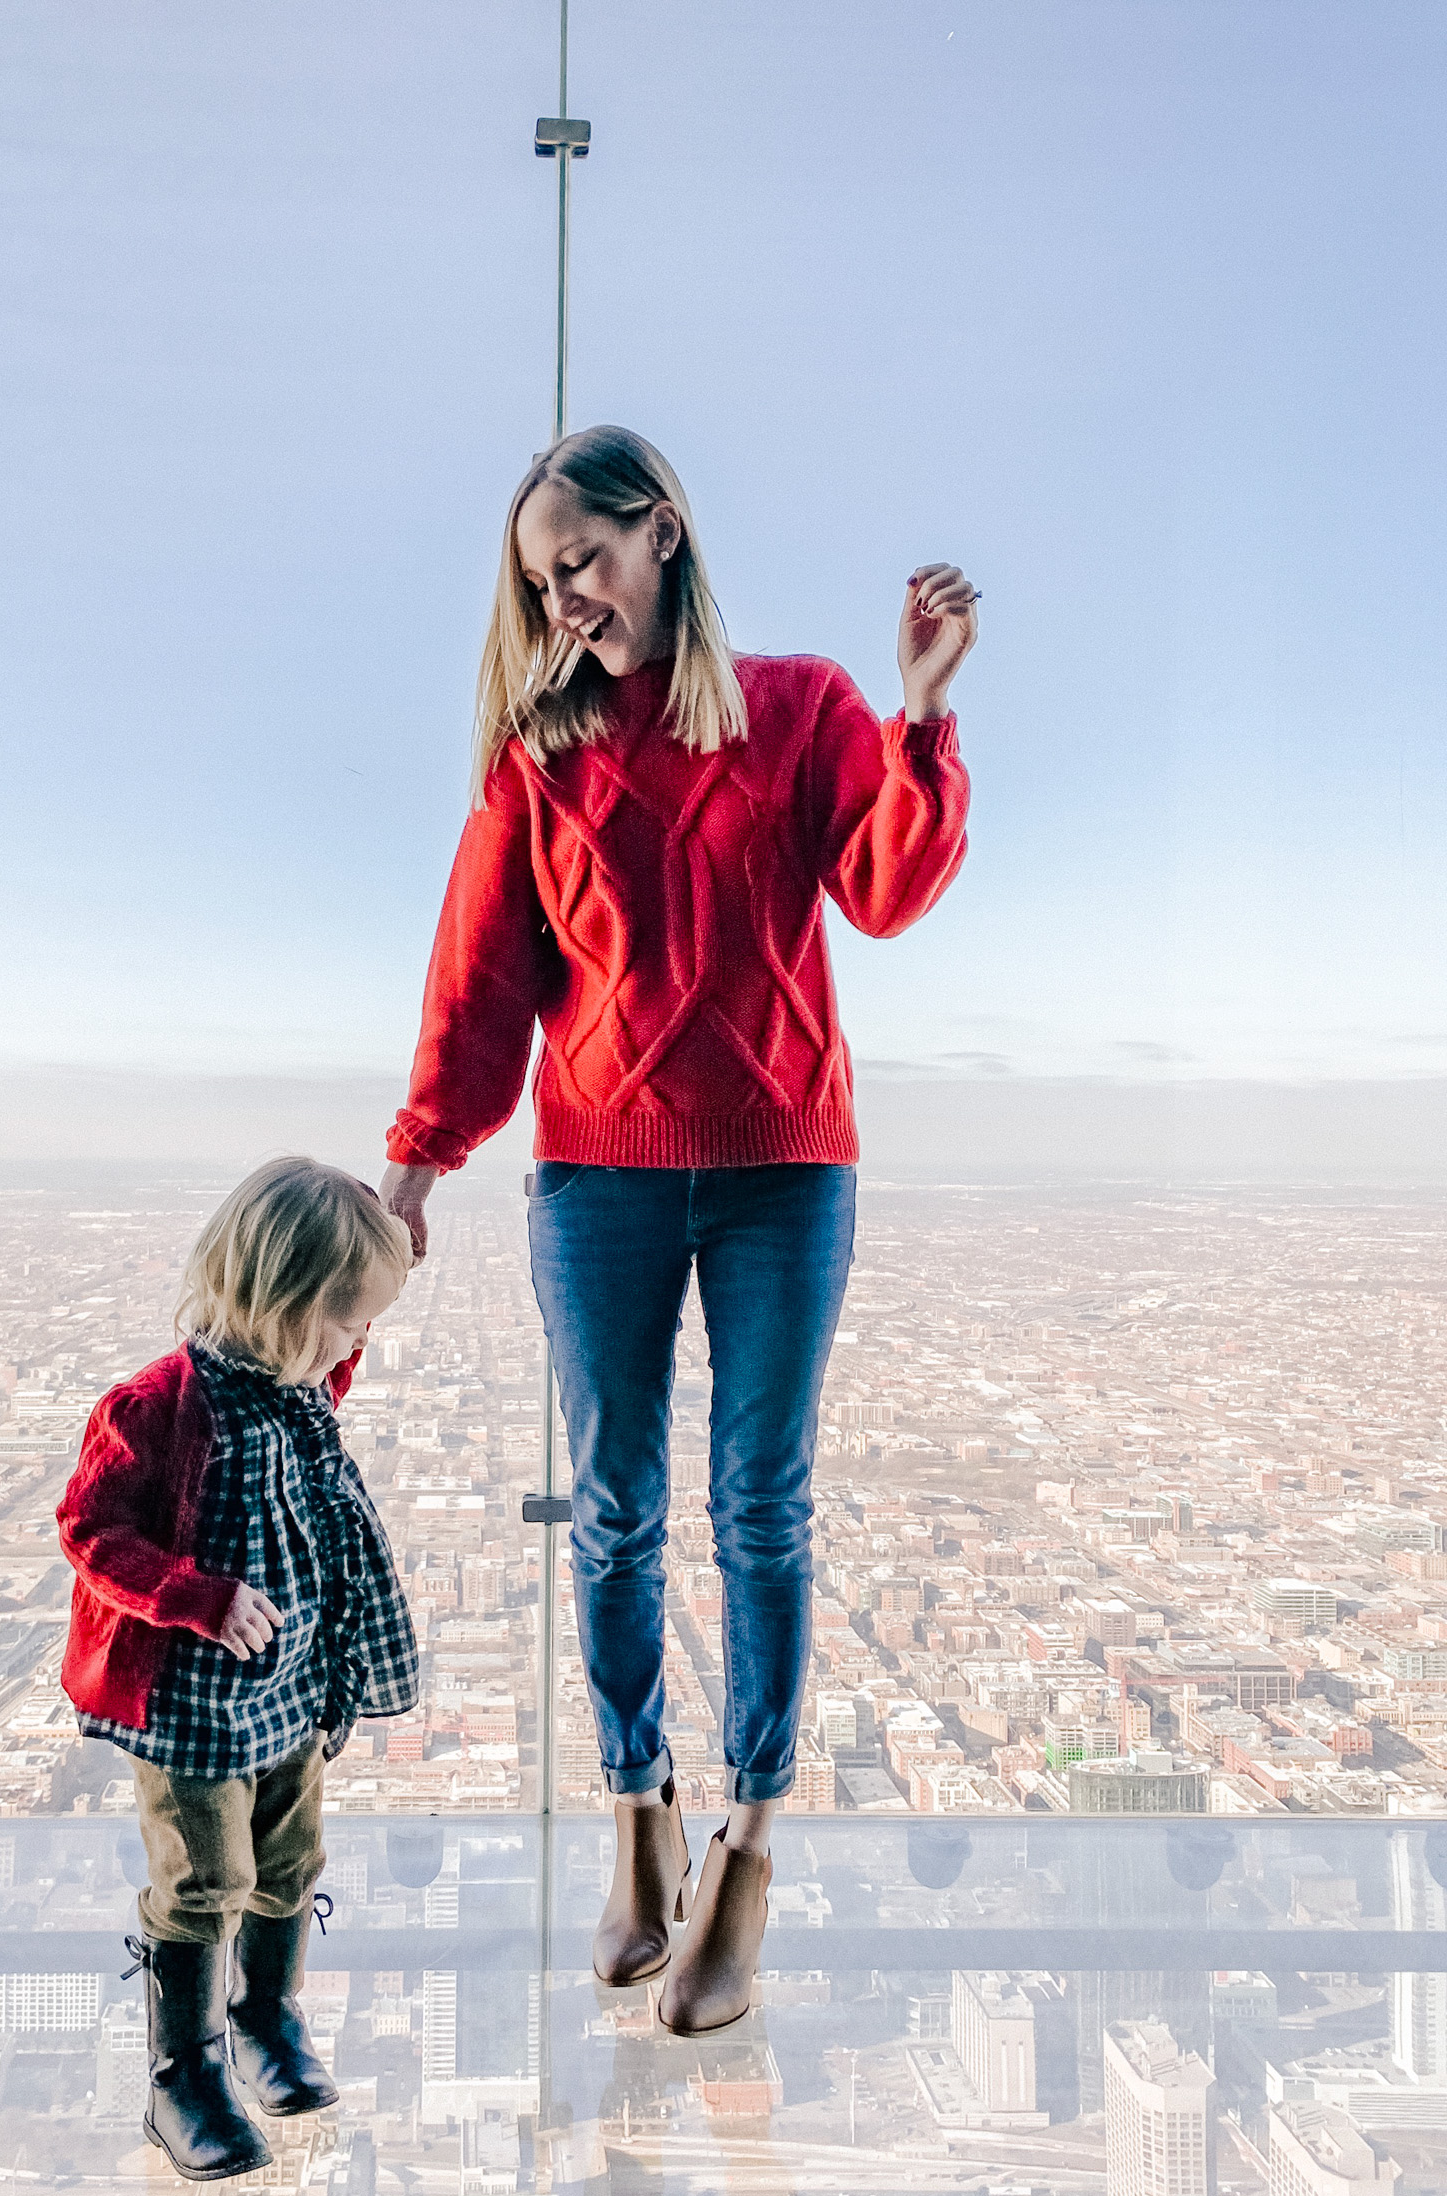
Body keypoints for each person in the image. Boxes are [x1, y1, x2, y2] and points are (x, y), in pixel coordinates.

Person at [381, 426, 975, 2034]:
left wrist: (918, 717)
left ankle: (748, 1848)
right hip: (600, 1175)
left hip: (789, 1167)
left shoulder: (797, 712)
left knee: (759, 1507)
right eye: (537, 579)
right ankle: (637, 1809)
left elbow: (887, 888)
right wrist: (423, 1156)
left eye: (577, 561)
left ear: (660, 538)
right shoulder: (538, 756)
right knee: (618, 1512)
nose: (561, 598)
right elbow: (482, 973)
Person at [58, 1158, 416, 2177]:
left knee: (290, 1864)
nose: (359, 1345)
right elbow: (88, 1529)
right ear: (288, 1307)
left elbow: (340, 1335)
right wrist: (193, 1597)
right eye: (348, 1320)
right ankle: (184, 2077)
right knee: (207, 1879)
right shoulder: (153, 1409)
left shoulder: (298, 1383)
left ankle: (265, 2017)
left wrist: (393, 1229)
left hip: (293, 1689)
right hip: (191, 1709)